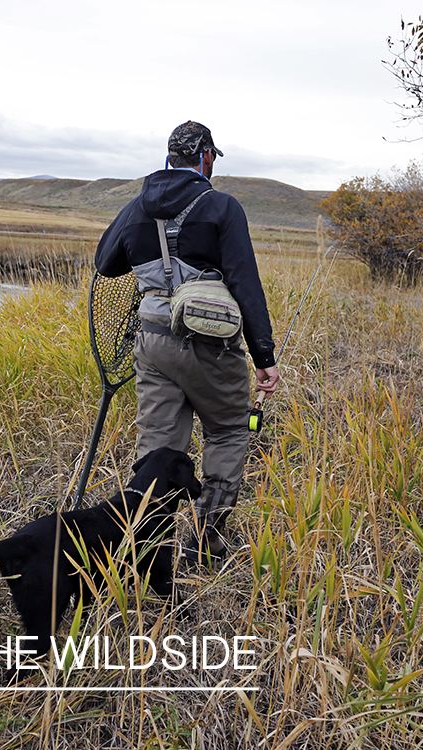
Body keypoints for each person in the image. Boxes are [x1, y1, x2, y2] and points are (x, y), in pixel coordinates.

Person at [94, 121, 280, 565]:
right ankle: (205, 539)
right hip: (212, 346)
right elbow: (244, 281)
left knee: (159, 448)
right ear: (207, 158)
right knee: (230, 430)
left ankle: (148, 552)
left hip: (152, 343)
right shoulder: (222, 206)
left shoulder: (137, 205)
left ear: (169, 158)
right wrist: (264, 357)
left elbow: (105, 263)